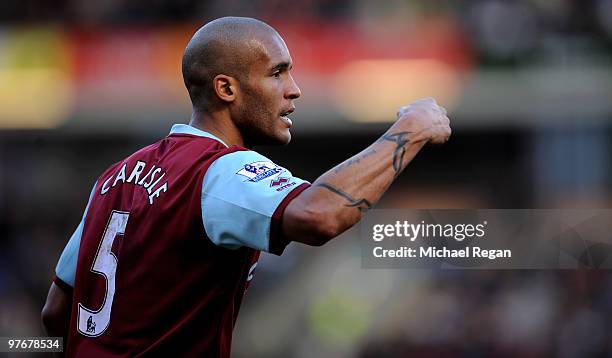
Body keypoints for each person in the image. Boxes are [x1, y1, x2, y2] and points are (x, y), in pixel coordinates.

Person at [41, 16, 451, 357]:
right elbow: (319, 215)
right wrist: (410, 130)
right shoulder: (218, 172)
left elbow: (57, 311)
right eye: (277, 73)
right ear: (226, 89)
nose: (294, 89)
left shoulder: (113, 178)